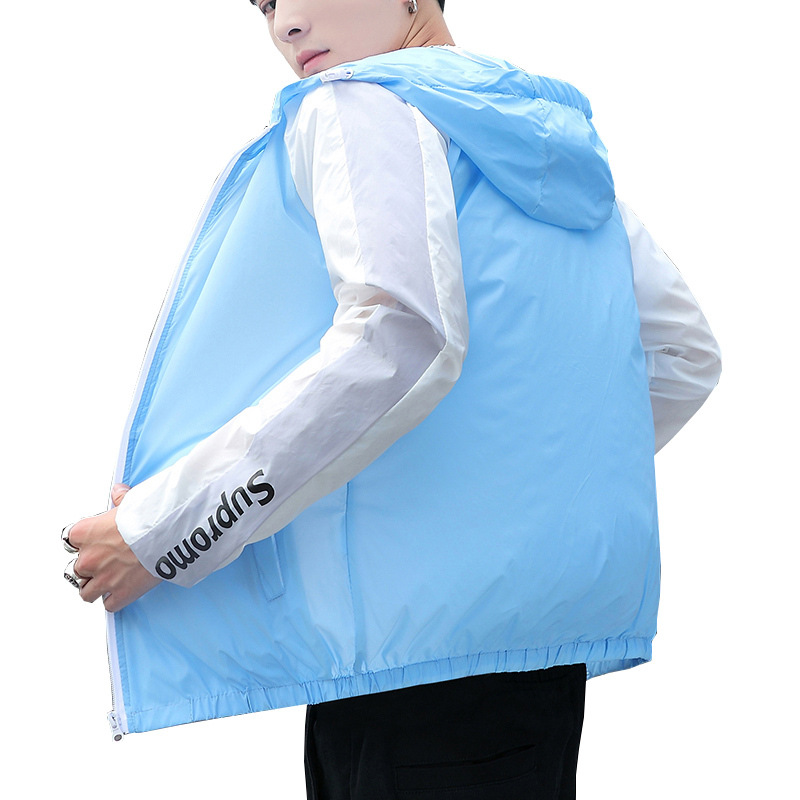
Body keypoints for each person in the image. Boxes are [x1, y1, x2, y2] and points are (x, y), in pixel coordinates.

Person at [63, 1, 721, 797]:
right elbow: (684, 354)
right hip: (539, 652)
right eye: (264, 3)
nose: (283, 25)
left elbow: (398, 337)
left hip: (405, 663)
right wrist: (518, 503)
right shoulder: (552, 143)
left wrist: (162, 531)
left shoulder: (361, 102)